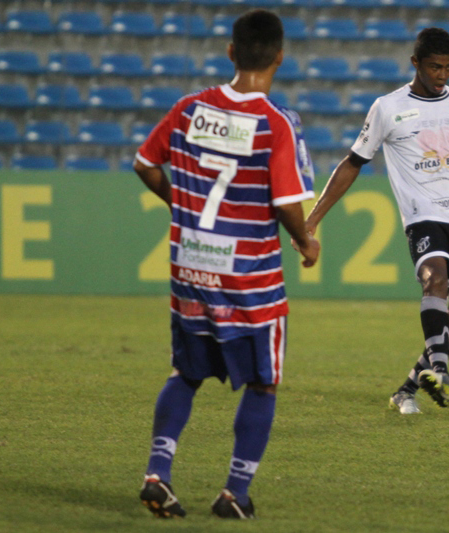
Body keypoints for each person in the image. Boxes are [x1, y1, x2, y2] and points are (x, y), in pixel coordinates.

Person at [132, 9, 319, 519]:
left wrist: (178, 204)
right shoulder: (277, 122)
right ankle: (234, 493)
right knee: (262, 381)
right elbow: (285, 201)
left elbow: (144, 163)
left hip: (191, 265)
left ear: (231, 51)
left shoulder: (189, 109)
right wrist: (306, 241)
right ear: (280, 57)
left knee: (185, 372)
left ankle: (157, 474)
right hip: (250, 279)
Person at [304, 27, 449, 415]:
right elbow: (352, 163)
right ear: (415, 63)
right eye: (435, 67)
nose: (442, 75)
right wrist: (312, 219)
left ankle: (407, 389)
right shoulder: (388, 108)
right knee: (436, 279)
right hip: (425, 214)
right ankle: (441, 370)